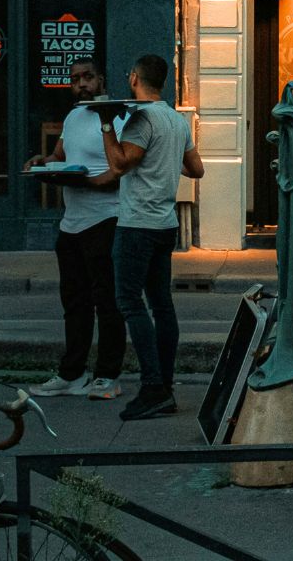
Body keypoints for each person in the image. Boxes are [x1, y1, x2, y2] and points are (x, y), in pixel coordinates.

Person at [94, 54, 204, 421]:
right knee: (161, 304)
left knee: (129, 301)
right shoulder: (175, 120)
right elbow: (197, 169)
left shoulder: (141, 119)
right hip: (164, 225)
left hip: (137, 225)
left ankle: (153, 387)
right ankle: (164, 387)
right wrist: (166, 162)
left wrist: (106, 124)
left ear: (134, 78)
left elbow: (119, 164)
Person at [23, 58, 126, 401]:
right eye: (75, 79)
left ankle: (108, 376)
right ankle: (72, 373)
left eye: (88, 77)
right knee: (74, 302)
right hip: (72, 222)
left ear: (102, 80)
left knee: (107, 301)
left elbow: (124, 168)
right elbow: (60, 155)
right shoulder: (72, 117)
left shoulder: (118, 117)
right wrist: (43, 163)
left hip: (107, 218)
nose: (81, 84)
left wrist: (92, 182)